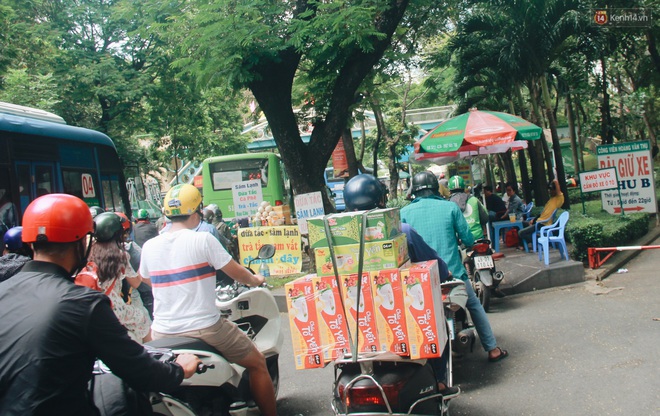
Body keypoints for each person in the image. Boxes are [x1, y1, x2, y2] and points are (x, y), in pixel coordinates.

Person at [0, 193, 200, 415]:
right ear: (81, 243)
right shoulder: (82, 304)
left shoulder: (4, 291)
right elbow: (139, 370)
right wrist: (180, 369)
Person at [139, 184, 277, 416]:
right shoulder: (203, 239)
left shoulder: (149, 246)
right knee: (258, 363)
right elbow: (236, 272)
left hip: (162, 331)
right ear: (197, 212)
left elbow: (145, 278)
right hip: (204, 327)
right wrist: (255, 279)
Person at [343, 174, 457, 396]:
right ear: (382, 200)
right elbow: (434, 266)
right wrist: (445, 272)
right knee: (436, 321)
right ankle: (440, 382)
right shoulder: (401, 231)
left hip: (355, 320)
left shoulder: (337, 239)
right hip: (399, 318)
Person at [401, 172, 509, 363]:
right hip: (453, 277)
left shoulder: (404, 213)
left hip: (422, 281)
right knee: (474, 305)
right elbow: (468, 240)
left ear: (413, 192)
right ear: (436, 188)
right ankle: (492, 349)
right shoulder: (450, 208)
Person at [86, 212, 152, 343]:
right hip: (112, 306)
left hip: (89, 303)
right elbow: (136, 283)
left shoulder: (88, 252)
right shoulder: (120, 255)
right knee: (142, 318)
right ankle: (154, 353)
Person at [518, 179, 564, 249]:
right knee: (520, 224)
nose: (549, 191)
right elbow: (542, 213)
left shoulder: (559, 199)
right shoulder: (551, 200)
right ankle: (523, 244)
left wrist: (553, 182)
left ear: (555, 190)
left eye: (551, 190)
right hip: (538, 221)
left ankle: (540, 241)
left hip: (542, 224)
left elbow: (556, 182)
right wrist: (533, 220)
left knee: (521, 232)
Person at [448, 176, 489, 240]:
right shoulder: (474, 200)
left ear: (450, 191)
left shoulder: (449, 204)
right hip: (478, 237)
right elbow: (485, 218)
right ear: (464, 188)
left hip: (460, 240)